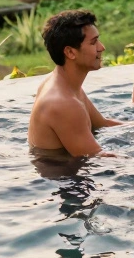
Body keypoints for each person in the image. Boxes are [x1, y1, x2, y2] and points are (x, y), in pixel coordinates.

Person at [28, 10, 127, 158]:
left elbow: (103, 124)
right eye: (93, 42)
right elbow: (98, 156)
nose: (102, 47)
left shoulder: (66, 85)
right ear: (70, 52)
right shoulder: (63, 103)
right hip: (64, 175)